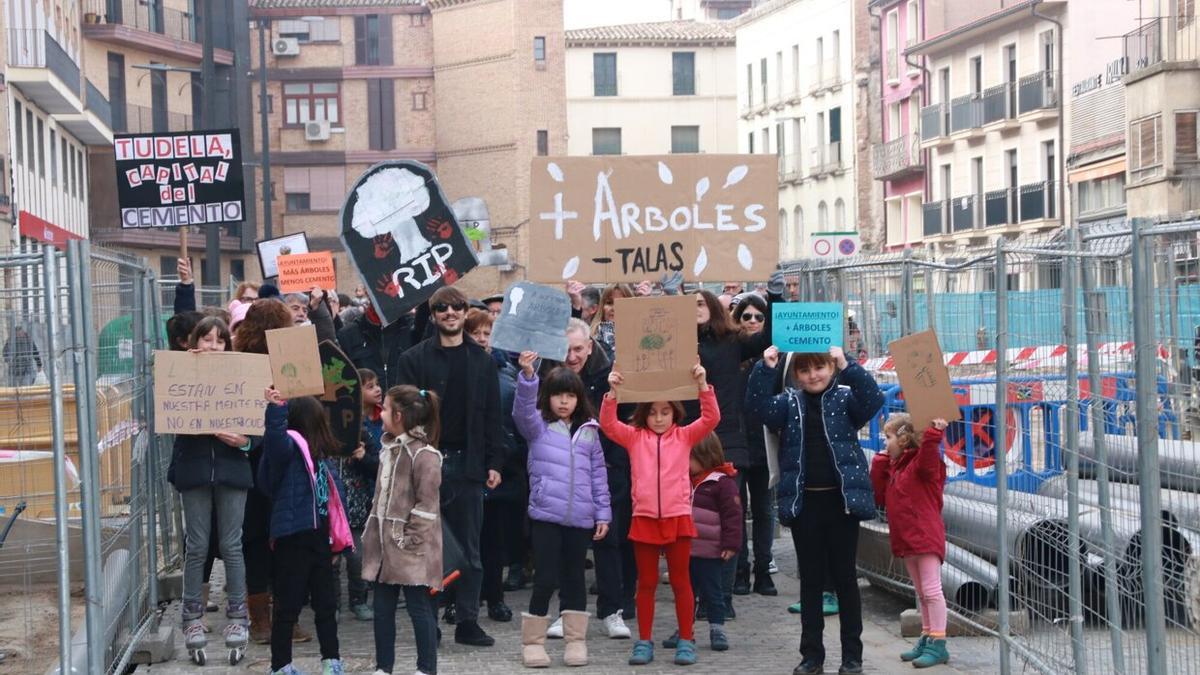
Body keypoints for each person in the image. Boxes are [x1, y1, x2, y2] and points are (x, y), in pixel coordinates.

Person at [745, 345, 884, 675]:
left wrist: (847, 365)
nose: (813, 375)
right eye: (805, 370)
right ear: (796, 375)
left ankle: (852, 657)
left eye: (819, 367)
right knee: (810, 582)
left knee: (845, 580)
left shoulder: (846, 400)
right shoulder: (788, 404)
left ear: (830, 367)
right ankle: (812, 656)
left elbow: (873, 399)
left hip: (841, 504)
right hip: (805, 504)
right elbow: (756, 407)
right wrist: (765, 368)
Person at [393, 286, 506, 648]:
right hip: (428, 465)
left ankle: (468, 621)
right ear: (434, 314)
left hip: (469, 465)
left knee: (471, 551)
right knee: (428, 549)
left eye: (456, 306)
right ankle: (430, 624)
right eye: (441, 308)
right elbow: (402, 418)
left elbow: (492, 416)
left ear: (464, 311)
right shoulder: (413, 359)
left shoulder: (483, 361)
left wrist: (494, 462)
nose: (450, 312)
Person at [600, 361, 719, 667]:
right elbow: (609, 425)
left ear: (675, 412)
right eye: (652, 412)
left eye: (665, 412)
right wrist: (612, 392)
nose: (659, 418)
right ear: (643, 414)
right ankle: (644, 640)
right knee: (647, 583)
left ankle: (686, 639)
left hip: (677, 515)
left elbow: (711, 417)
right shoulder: (634, 437)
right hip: (645, 518)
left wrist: (703, 385)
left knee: (681, 582)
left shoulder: (685, 436)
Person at [538, 319, 634, 641]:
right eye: (566, 349)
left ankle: (612, 610)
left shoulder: (609, 377)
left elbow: (627, 419)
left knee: (609, 543)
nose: (572, 356)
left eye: (578, 348)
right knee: (569, 550)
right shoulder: (548, 379)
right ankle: (568, 613)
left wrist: (616, 465)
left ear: (590, 347)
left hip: (607, 470)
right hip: (563, 478)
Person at [512, 353, 611, 668]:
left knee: (574, 581)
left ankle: (575, 642)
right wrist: (528, 375)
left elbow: (598, 475)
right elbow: (522, 411)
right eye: (558, 395)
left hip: (581, 518)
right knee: (545, 578)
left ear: (579, 398)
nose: (564, 402)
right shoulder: (538, 427)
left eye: (570, 396)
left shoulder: (590, 431)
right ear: (548, 397)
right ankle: (533, 644)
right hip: (546, 516)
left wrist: (603, 514)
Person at [690, 287, 778, 616]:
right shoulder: (675, 342)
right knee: (694, 524)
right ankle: (700, 596)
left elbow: (770, 334)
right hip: (684, 438)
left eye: (700, 303)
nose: (695, 309)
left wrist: (776, 294)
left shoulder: (732, 342)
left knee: (728, 519)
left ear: (712, 307)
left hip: (726, 440)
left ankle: (722, 599)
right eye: (688, 305)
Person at [168, 317, 251, 662]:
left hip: (232, 470)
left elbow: (255, 429)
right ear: (193, 343)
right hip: (195, 471)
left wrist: (244, 441)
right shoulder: (180, 376)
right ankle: (191, 616)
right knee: (196, 545)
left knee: (232, 544)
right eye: (207, 340)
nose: (213, 347)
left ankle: (237, 616)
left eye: (220, 341)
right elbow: (172, 413)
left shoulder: (242, 376)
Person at [259, 390, 352, 675]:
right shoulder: (288, 450)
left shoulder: (322, 460)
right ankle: (281, 665)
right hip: (293, 537)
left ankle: (331, 660)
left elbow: (336, 502)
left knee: (326, 604)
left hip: (319, 539)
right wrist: (275, 410)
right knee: (288, 605)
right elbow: (275, 441)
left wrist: (336, 545)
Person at [232, 300, 301, 645]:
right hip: (274, 459)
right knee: (276, 539)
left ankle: (264, 616)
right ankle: (272, 616)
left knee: (257, 539)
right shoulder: (280, 363)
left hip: (255, 461)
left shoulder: (238, 362)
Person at [362, 385, 444, 675]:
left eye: (384, 408)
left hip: (411, 547)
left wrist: (410, 538)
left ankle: (426, 669)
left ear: (397, 415)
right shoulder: (390, 450)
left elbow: (427, 504)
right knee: (382, 609)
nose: (380, 413)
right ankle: (384, 667)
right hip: (386, 546)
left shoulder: (425, 455)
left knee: (419, 607)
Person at [871, 415, 951, 669]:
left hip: (924, 536)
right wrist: (881, 461)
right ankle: (927, 636)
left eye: (889, 437)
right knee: (921, 593)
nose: (885, 442)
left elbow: (928, 460)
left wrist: (933, 435)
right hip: (908, 538)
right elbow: (880, 494)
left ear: (904, 439)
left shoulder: (921, 465)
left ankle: (938, 642)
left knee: (931, 591)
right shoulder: (898, 467)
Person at [466, 309, 523, 625]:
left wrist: (502, 459)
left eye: (487, 333)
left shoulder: (506, 374)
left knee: (492, 540)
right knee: (465, 541)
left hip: (500, 465)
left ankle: (495, 599)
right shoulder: (459, 368)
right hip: (467, 467)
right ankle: (461, 601)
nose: (482, 339)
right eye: (476, 332)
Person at [663, 433, 741, 653]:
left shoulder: (722, 483)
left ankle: (717, 629)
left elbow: (733, 516)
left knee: (713, 593)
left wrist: (730, 544)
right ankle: (685, 630)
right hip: (685, 549)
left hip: (710, 551)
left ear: (705, 456)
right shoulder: (683, 480)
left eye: (689, 458)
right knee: (684, 592)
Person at [729, 295, 776, 598]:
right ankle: (740, 571)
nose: (754, 322)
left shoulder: (774, 358)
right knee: (736, 509)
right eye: (747, 316)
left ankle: (763, 570)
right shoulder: (730, 354)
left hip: (765, 442)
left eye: (759, 317)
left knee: (764, 510)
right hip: (736, 441)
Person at [331, 371, 383, 623]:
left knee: (357, 557)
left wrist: (363, 457)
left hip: (356, 504)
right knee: (330, 558)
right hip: (331, 504)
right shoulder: (323, 430)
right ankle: (333, 603)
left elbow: (378, 465)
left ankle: (358, 599)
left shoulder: (361, 431)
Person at [590, 284, 633, 360]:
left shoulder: (640, 334)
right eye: (609, 303)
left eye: (621, 303)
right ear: (602, 307)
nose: (614, 308)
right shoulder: (589, 337)